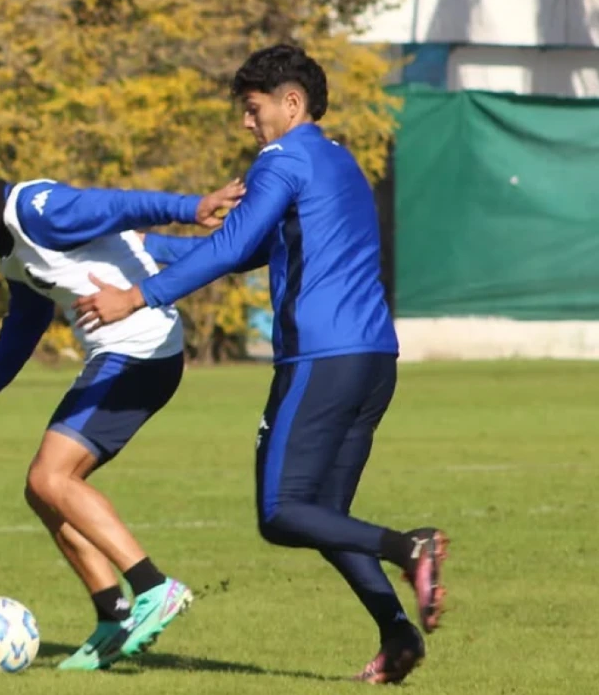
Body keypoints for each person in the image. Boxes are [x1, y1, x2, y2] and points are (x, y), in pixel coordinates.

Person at [73, 44, 449, 684]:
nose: (248, 124)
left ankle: (410, 546)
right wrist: (146, 246)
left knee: (280, 512)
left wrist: (133, 296)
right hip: (374, 359)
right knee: (326, 515)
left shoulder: (282, 156)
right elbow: (259, 245)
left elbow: (234, 244)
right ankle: (398, 635)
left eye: (253, 110)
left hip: (319, 359)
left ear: (291, 103)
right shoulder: (339, 161)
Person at [0, 147, 243, 670]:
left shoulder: (34, 209)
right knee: (42, 490)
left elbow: (113, 205)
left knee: (51, 477)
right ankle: (112, 613)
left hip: (140, 350)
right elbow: (24, 325)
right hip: (122, 356)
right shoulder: (11, 248)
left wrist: (191, 206)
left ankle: (154, 587)